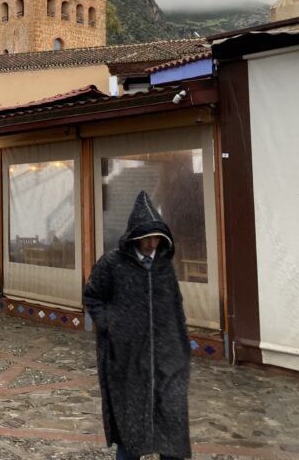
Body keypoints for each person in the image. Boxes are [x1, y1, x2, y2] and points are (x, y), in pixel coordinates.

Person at [83, 191, 191, 460]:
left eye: (156, 238)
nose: (152, 243)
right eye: (147, 237)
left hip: (167, 365)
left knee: (172, 432)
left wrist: (181, 346)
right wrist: (112, 323)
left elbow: (176, 307)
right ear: (134, 236)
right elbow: (92, 296)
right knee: (132, 436)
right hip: (128, 364)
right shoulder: (112, 264)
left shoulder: (165, 268)